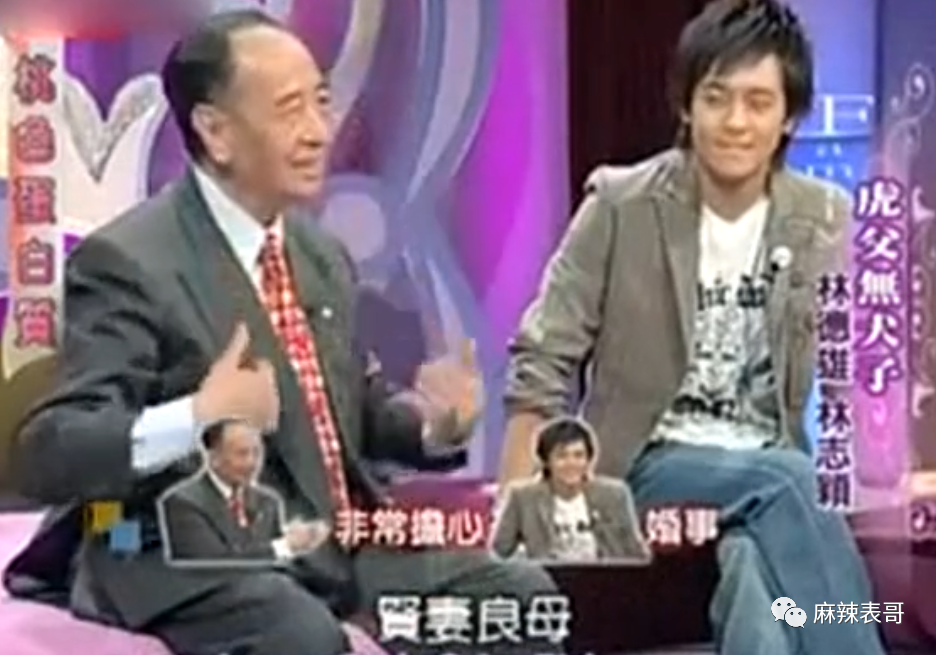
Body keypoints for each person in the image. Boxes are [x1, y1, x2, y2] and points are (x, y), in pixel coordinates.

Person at [4, 10, 558, 655]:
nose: (319, 132)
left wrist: (434, 425)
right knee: (303, 639)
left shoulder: (319, 255)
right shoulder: (129, 262)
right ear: (215, 130)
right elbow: (52, 449)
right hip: (179, 548)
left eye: (321, 103)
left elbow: (344, 413)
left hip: (323, 544)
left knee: (519, 596)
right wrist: (195, 416)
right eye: (290, 110)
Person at [499, 1, 886, 654]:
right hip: (646, 462)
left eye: (758, 103)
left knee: (753, 572)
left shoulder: (824, 218)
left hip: (764, 472)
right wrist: (517, 506)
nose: (735, 122)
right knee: (790, 480)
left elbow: (854, 372)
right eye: (716, 98)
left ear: (789, 116)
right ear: (686, 105)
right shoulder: (620, 204)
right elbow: (543, 357)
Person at [159, 419, 328, 566]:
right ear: (214, 458)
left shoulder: (268, 502)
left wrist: (303, 541)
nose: (252, 463)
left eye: (257, 453)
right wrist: (284, 546)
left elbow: (275, 559)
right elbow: (214, 564)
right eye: (242, 454)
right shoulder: (183, 504)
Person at [492, 416, 649, 562]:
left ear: (588, 459)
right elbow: (499, 552)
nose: (571, 463)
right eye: (562, 456)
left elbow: (635, 552)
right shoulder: (523, 497)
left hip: (605, 578)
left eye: (578, 455)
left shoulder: (614, 495)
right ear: (546, 461)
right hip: (549, 579)